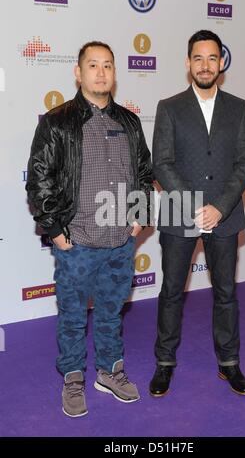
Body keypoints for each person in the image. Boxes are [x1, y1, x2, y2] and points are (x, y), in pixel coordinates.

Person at [26, 41, 153, 417]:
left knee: (113, 312)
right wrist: (55, 228)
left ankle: (110, 371)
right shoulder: (57, 122)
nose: (101, 72)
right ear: (78, 73)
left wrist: (138, 219)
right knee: (72, 315)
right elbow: (39, 180)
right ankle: (73, 377)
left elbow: (145, 173)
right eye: (93, 65)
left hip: (120, 242)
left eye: (108, 66)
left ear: (115, 73)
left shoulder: (129, 122)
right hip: (77, 241)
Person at [150, 30, 245, 397]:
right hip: (181, 214)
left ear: (221, 63)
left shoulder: (239, 107)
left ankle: (230, 363)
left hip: (224, 217)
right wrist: (195, 206)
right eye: (198, 58)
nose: (205, 64)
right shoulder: (170, 106)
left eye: (212, 57)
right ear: (187, 63)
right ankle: (164, 363)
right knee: (172, 292)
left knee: (226, 293)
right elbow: (161, 162)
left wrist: (220, 207)